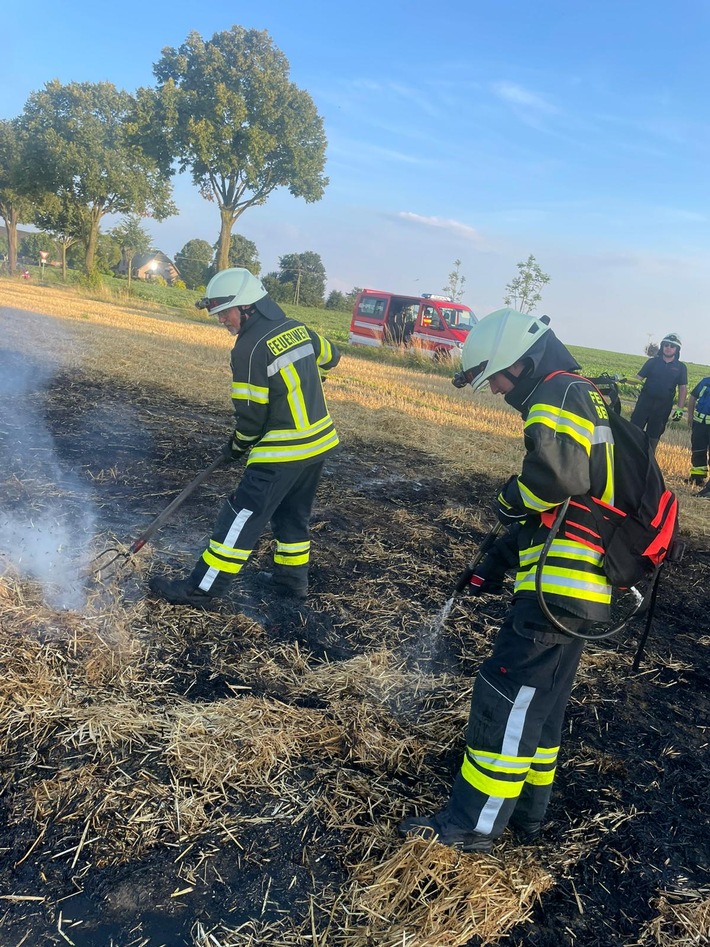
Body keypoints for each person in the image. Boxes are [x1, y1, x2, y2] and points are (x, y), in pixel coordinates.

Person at [399, 307, 619, 852]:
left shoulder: (558, 393)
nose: (495, 390)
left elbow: (555, 480)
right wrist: (493, 562)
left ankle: (469, 828)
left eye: (494, 376)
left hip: (558, 585)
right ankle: (527, 814)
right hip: (580, 585)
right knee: (538, 706)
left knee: (505, 696)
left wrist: (506, 499)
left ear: (521, 363)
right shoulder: (582, 394)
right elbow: (563, 503)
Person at [149, 267, 340, 607]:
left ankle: (202, 590)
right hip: (318, 445)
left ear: (248, 307)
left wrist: (236, 447)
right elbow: (331, 357)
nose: (222, 319)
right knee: (292, 518)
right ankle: (290, 583)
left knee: (238, 519)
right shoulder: (297, 328)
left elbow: (251, 420)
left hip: (282, 454)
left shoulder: (249, 349)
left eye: (225, 311)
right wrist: (312, 376)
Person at [630, 333, 687, 452]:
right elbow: (638, 378)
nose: (668, 347)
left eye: (672, 346)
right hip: (644, 404)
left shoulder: (681, 367)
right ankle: (629, 459)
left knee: (653, 437)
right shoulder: (652, 362)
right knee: (633, 432)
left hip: (662, 407)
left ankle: (649, 463)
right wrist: (624, 379)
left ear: (677, 350)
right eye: (666, 345)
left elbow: (682, 388)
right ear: (662, 346)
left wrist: (680, 409)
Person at [687, 374, 710, 496]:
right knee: (698, 450)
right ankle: (697, 477)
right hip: (700, 423)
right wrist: (690, 415)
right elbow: (692, 397)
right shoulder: (705, 382)